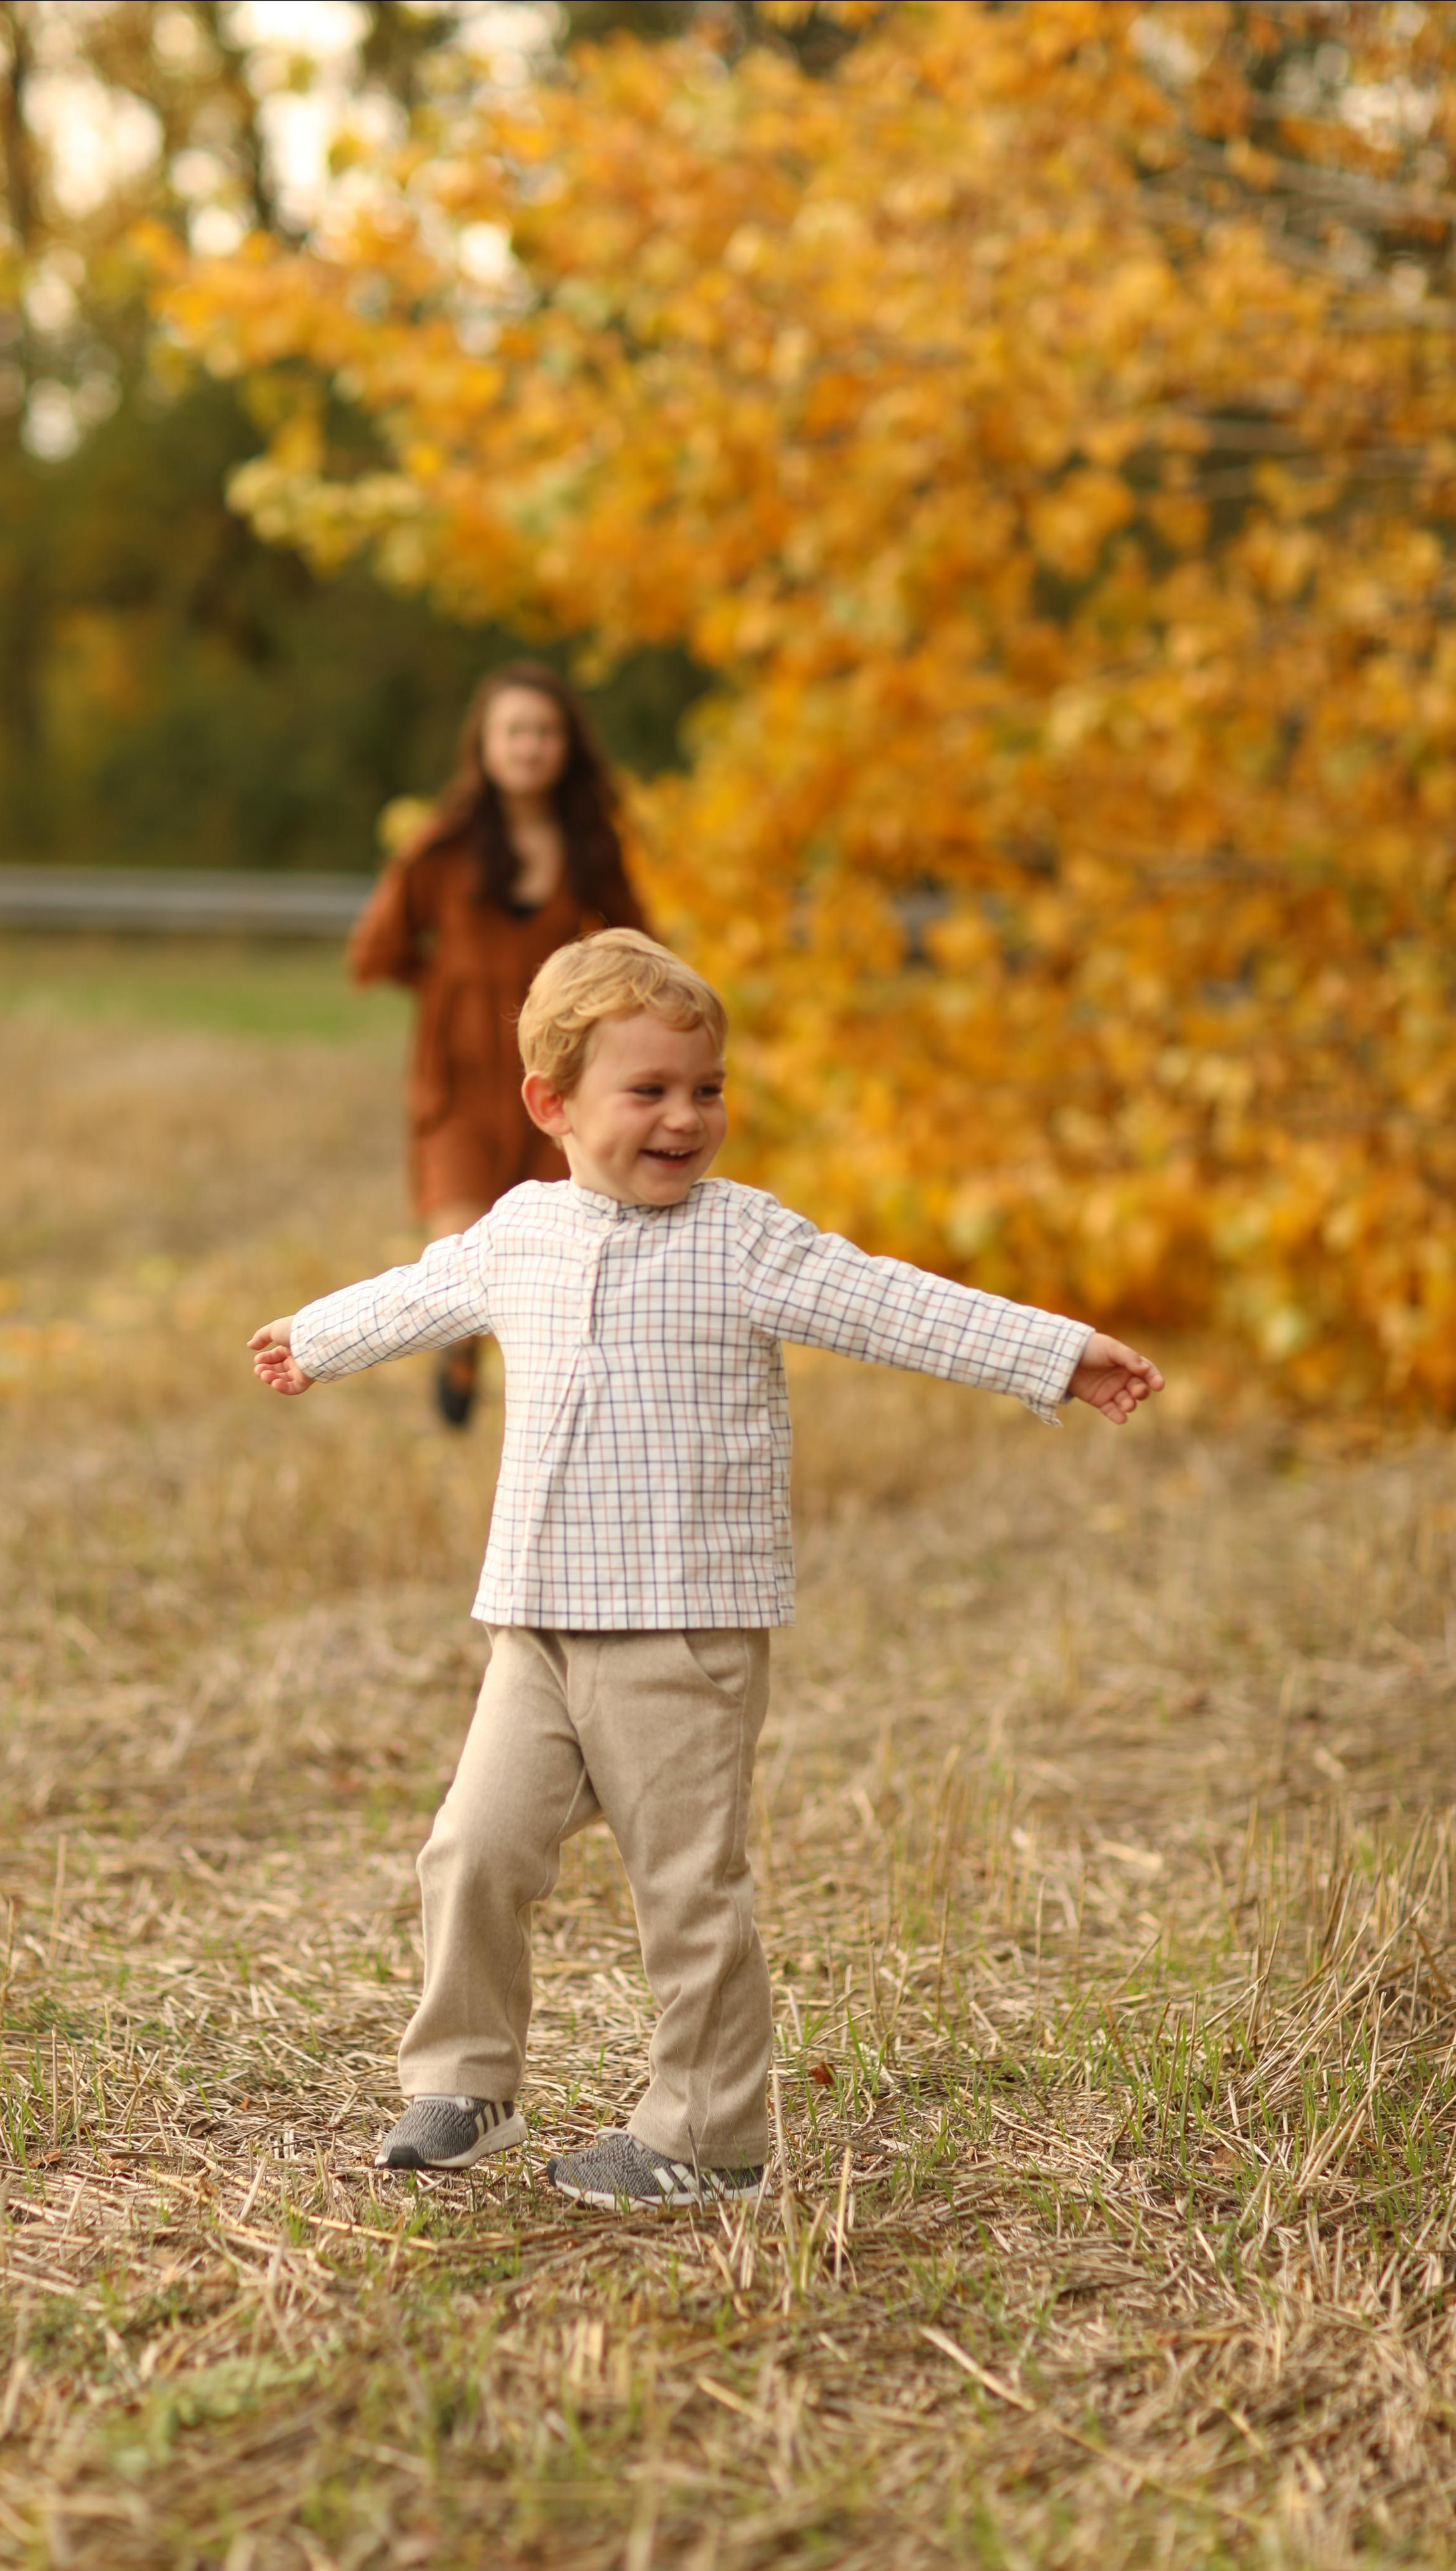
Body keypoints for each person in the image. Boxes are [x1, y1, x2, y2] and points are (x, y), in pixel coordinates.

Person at [248, 931, 1163, 2211]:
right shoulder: (522, 1229)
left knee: (686, 1893)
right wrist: (317, 1336)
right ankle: (465, 2081)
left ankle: (707, 2137)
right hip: (537, 1626)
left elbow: (892, 1302)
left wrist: (1052, 1353)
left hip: (684, 1633)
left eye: (707, 1089)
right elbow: (425, 1290)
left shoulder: (747, 1241)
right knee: (473, 1850)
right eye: (651, 1091)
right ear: (552, 1105)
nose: (687, 1116)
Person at [347, 662, 649, 1425]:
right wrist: (453, 988)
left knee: (556, 1240)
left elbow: (636, 947)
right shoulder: (441, 848)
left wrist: (587, 1012)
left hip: (552, 1075)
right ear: (483, 744)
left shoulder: (589, 846)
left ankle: (548, 1390)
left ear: (566, 748)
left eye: (545, 732)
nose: (529, 746)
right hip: (456, 1077)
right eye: (514, 730)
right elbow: (374, 953)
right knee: (459, 1241)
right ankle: (460, 1347)